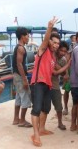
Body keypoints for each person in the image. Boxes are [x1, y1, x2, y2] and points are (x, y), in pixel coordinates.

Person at [30, 17, 70, 147]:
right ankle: (36, 134)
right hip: (38, 83)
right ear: (49, 42)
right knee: (36, 109)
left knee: (46, 108)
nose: (56, 45)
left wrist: (68, 64)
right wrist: (49, 28)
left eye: (58, 43)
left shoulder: (53, 57)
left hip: (48, 84)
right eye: (54, 42)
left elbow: (56, 72)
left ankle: (41, 129)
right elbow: (46, 40)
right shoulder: (43, 50)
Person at [12, 27, 32, 127]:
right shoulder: (21, 48)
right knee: (25, 96)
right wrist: (24, 79)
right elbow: (19, 64)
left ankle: (16, 119)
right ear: (22, 36)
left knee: (19, 97)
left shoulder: (18, 47)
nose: (28, 38)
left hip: (16, 75)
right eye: (27, 36)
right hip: (20, 76)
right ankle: (22, 120)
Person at [49, 41, 69, 130]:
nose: (62, 53)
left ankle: (60, 122)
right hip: (45, 83)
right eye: (61, 50)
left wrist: (64, 73)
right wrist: (61, 69)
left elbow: (65, 74)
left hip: (55, 84)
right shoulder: (51, 55)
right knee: (43, 106)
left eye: (65, 51)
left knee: (59, 106)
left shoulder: (64, 60)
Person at [62, 34, 76, 115]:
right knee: (67, 90)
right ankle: (66, 107)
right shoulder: (69, 49)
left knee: (75, 92)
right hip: (70, 71)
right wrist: (66, 73)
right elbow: (66, 61)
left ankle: (74, 108)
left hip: (76, 72)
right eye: (73, 38)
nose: (75, 40)